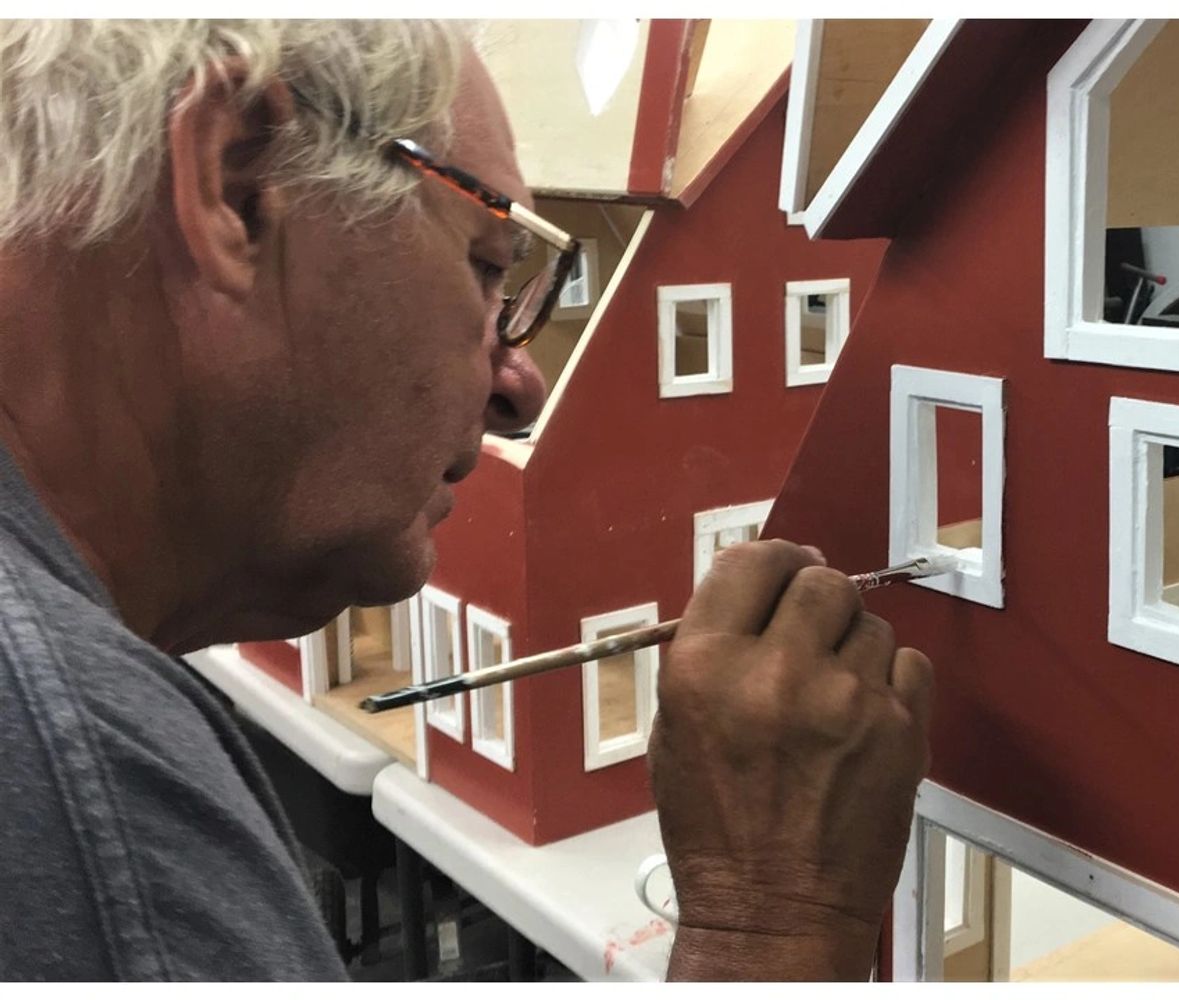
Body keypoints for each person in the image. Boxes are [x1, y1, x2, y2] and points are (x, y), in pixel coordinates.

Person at [0, 20, 930, 981]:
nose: (520, 388)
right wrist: (768, 925)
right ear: (238, 183)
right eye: (489, 266)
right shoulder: (74, 781)